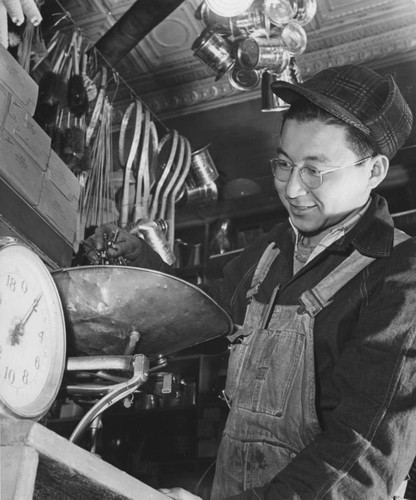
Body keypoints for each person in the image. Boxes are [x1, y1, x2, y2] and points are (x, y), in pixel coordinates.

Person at [90, 65, 416, 499]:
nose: (292, 189)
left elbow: (365, 458)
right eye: (284, 164)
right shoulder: (270, 249)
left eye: (314, 171)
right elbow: (204, 320)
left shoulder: (400, 274)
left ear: (374, 171)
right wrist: (142, 265)